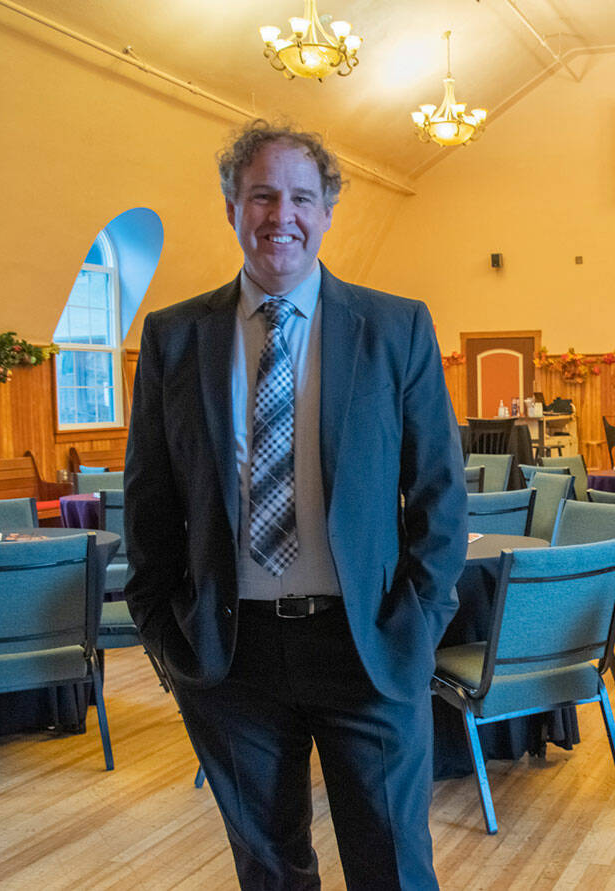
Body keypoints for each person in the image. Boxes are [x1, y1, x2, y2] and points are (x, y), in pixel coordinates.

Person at [124, 119, 466, 889]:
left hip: (367, 647)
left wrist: (415, 625)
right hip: (230, 657)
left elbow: (440, 495)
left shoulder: (394, 326)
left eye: (301, 197)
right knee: (270, 868)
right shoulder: (174, 337)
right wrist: (167, 635)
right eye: (263, 195)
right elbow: (149, 504)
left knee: (394, 868)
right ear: (232, 208)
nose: (283, 214)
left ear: (328, 210)